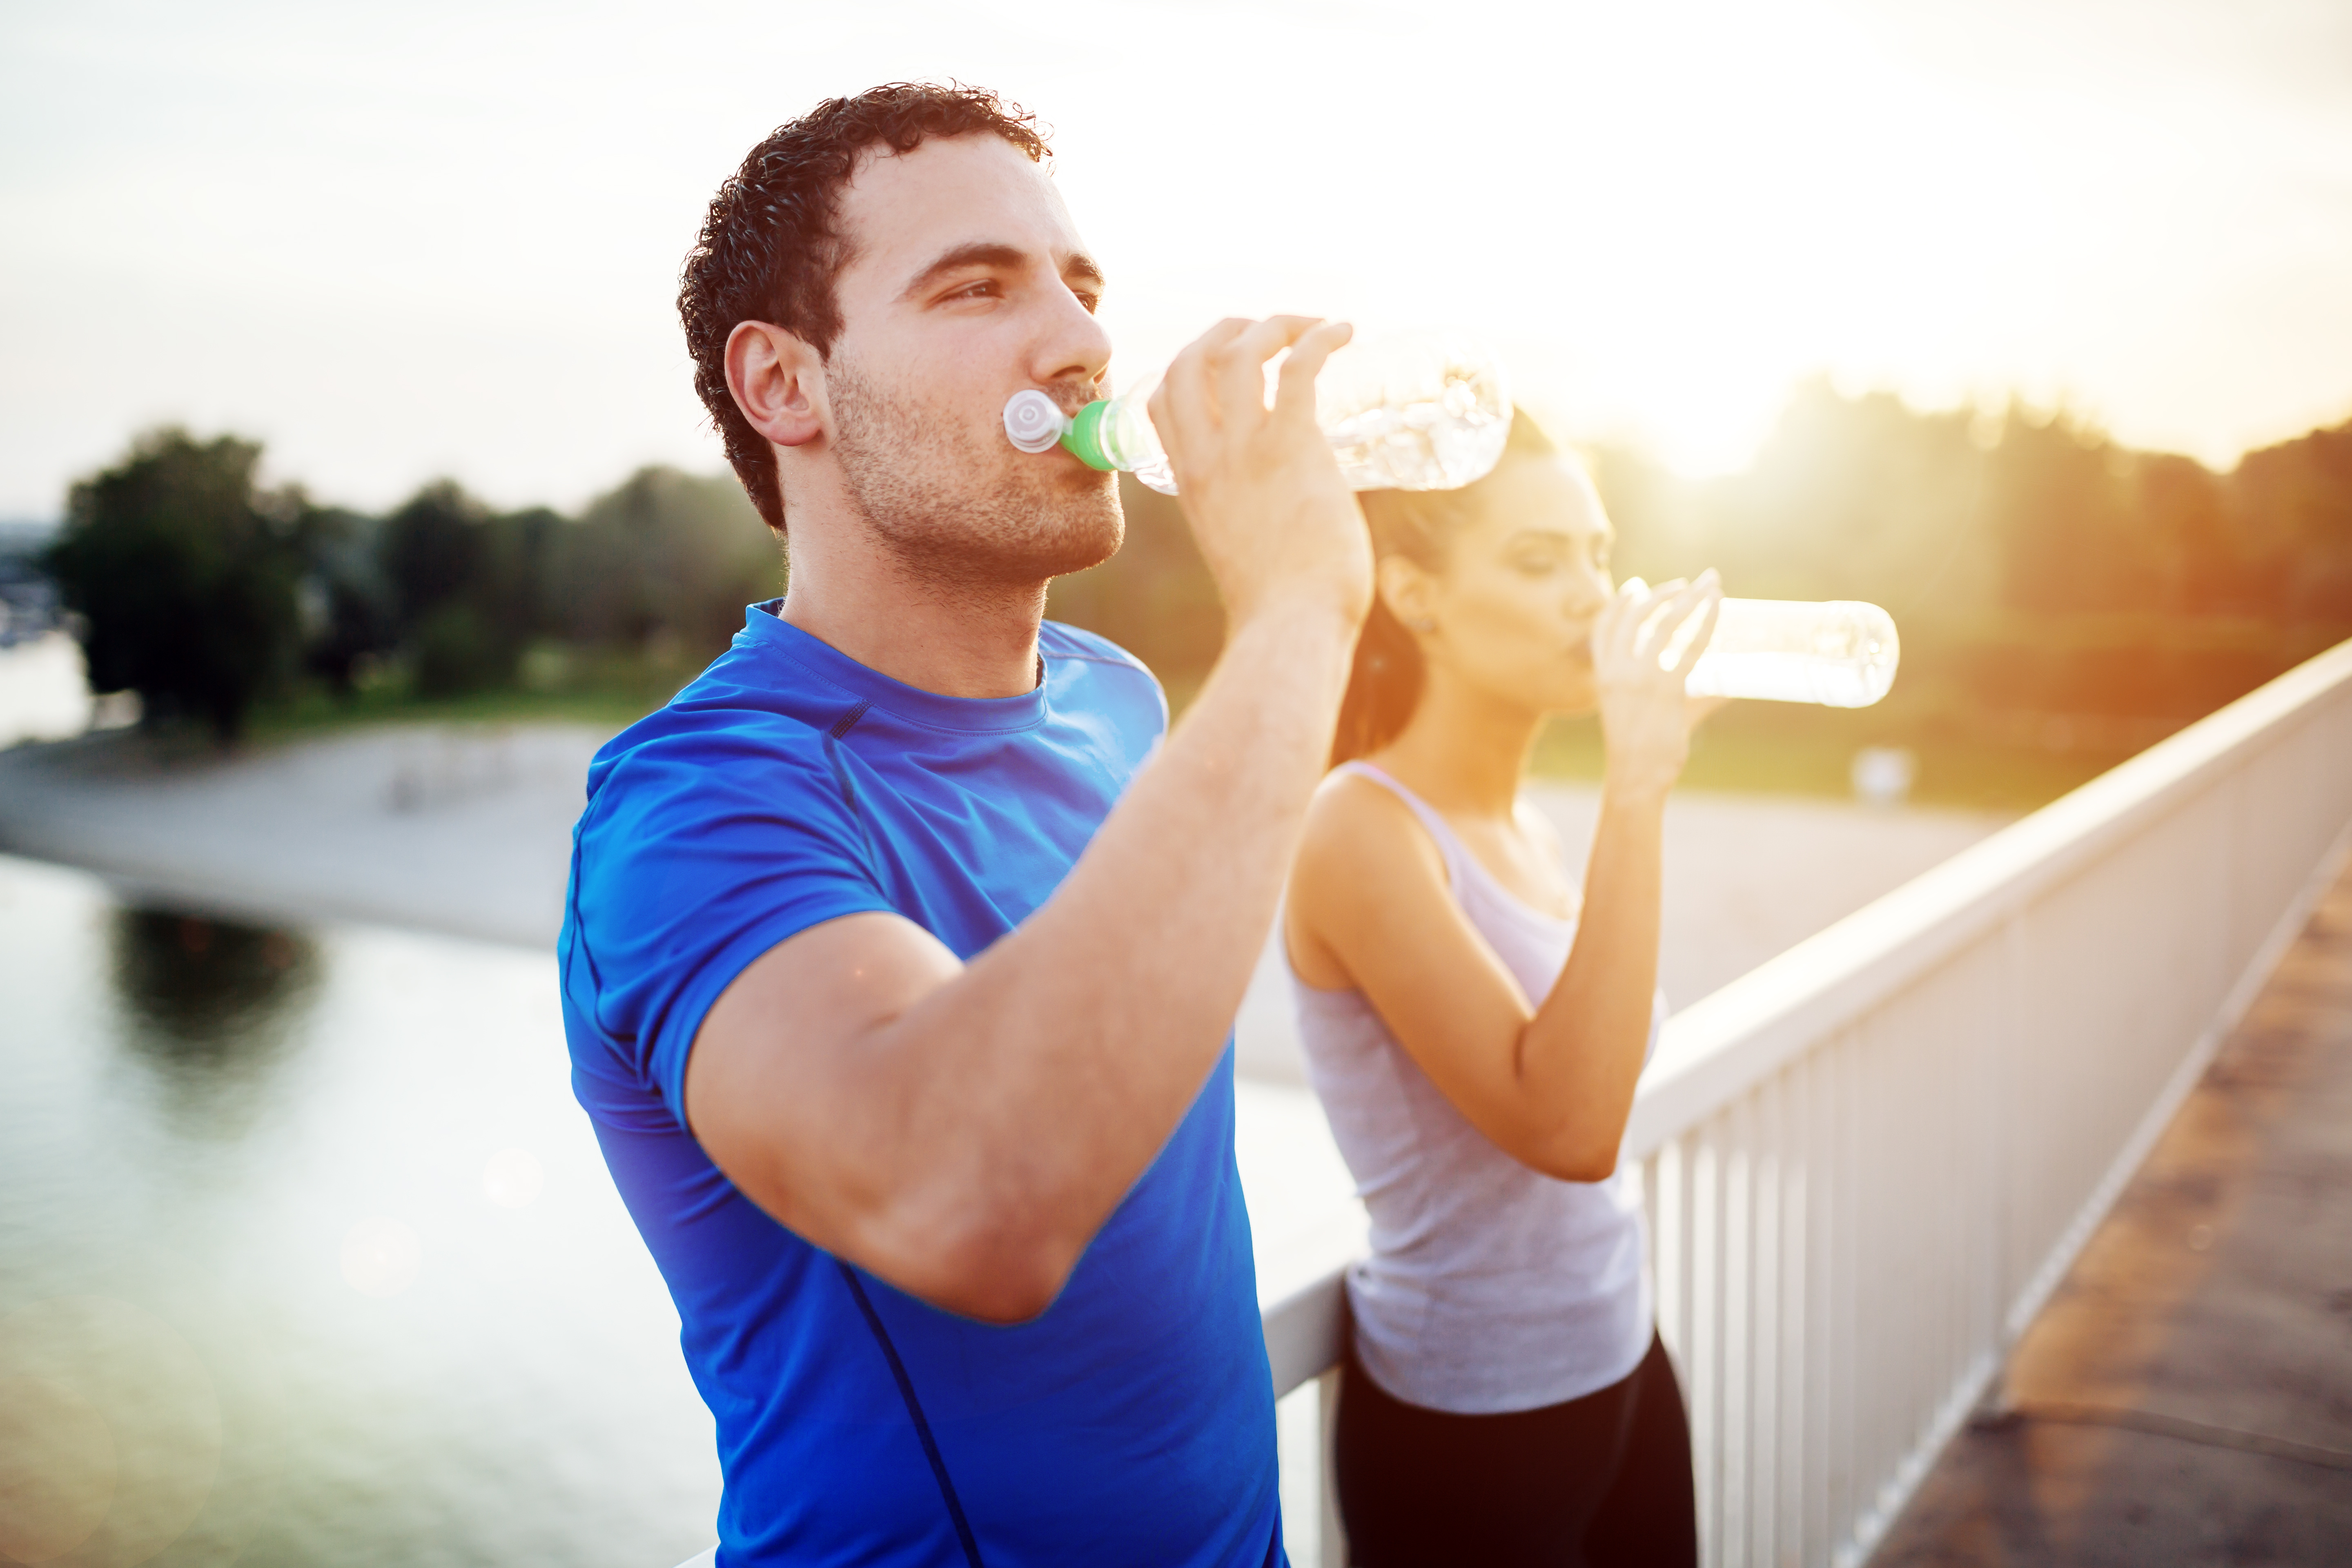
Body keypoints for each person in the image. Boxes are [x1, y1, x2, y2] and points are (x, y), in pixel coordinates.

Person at [557, 84, 1377, 1565]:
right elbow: (967, 1202)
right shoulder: (692, 807)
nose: (1080, 341)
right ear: (786, 387)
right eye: (976, 286)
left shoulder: (1115, 698)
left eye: (1081, 286)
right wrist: (1304, 609)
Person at [1282, 410, 1718, 1566]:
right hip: (1473, 1423)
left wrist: (1632, 793)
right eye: (1539, 560)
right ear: (1415, 595)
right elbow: (1570, 1125)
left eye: (1598, 554)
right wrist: (1641, 786)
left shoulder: (1522, 822)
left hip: (1620, 1357)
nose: (1594, 596)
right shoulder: (1361, 830)